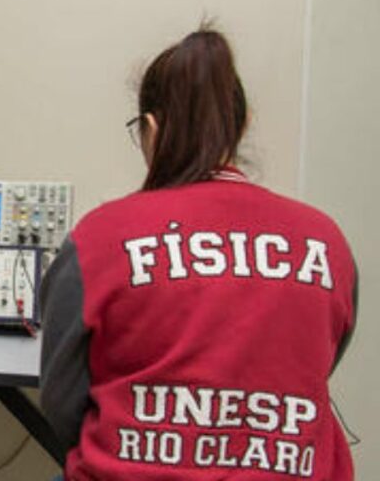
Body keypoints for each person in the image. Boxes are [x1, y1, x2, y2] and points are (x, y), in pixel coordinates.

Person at [39, 27, 357, 480]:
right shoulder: (327, 243)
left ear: (149, 129)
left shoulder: (100, 238)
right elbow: (317, 361)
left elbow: (61, 400)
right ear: (241, 125)